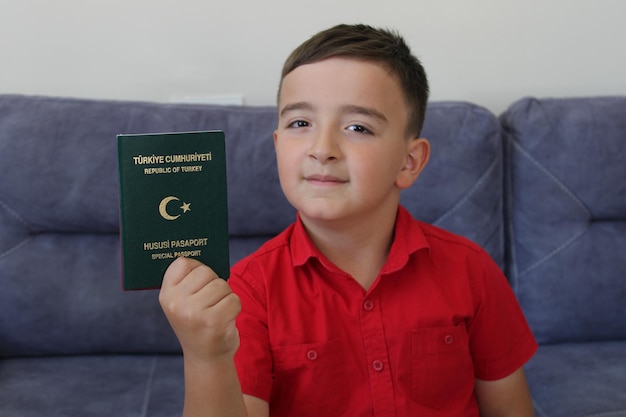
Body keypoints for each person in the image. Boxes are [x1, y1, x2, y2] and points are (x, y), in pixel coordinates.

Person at [159, 23, 538, 417]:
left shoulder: (470, 269)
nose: (322, 149)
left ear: (409, 162)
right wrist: (206, 356)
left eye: (358, 127)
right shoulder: (249, 291)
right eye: (300, 123)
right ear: (278, 146)